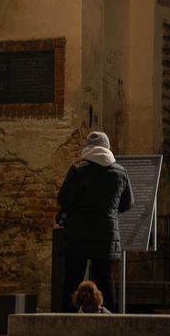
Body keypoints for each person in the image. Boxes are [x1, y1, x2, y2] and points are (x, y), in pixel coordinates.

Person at [56, 130, 133, 313]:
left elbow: (63, 199)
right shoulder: (120, 172)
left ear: (87, 148)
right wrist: (110, 211)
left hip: (77, 232)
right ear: (107, 147)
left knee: (73, 279)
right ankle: (107, 323)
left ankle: (67, 320)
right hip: (106, 233)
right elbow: (128, 203)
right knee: (105, 279)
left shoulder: (78, 169)